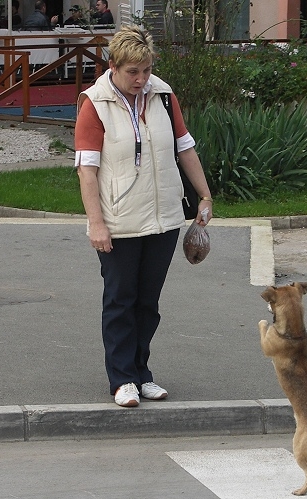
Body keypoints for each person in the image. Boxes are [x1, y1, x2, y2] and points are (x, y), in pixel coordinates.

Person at [74, 25, 213, 408]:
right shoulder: (95, 104)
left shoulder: (163, 96)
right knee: (120, 300)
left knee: (147, 303)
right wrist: (96, 223)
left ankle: (141, 374)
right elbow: (87, 170)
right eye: (133, 71)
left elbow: (185, 148)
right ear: (113, 66)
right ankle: (122, 379)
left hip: (164, 219)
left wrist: (204, 194)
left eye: (147, 70)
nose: (141, 79)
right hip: (118, 222)